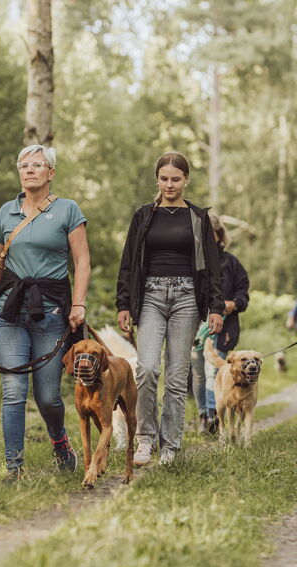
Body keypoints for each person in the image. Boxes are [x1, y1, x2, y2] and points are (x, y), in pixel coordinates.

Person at [0, 145, 90, 482]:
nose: (29, 170)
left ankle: (60, 442)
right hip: (8, 308)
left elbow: (82, 262)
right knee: (13, 390)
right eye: (24, 165)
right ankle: (15, 468)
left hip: (50, 311)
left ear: (51, 172)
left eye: (37, 165)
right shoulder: (6, 213)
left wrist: (78, 303)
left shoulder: (68, 210)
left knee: (48, 396)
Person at [116, 152, 224, 466]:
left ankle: (171, 447)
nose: (169, 185)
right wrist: (124, 303)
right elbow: (128, 263)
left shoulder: (198, 218)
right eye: (164, 178)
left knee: (177, 378)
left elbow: (213, 267)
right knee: (147, 369)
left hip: (187, 298)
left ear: (186, 180)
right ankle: (146, 439)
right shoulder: (143, 216)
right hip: (150, 294)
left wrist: (215, 307)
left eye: (176, 179)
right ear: (157, 179)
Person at [190, 213, 250, 433]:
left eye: (211, 235)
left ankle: (215, 415)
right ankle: (204, 414)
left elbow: (244, 293)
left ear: (219, 236)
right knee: (197, 373)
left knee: (213, 372)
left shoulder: (231, 263)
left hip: (224, 329)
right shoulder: (193, 262)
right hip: (197, 326)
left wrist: (234, 304)